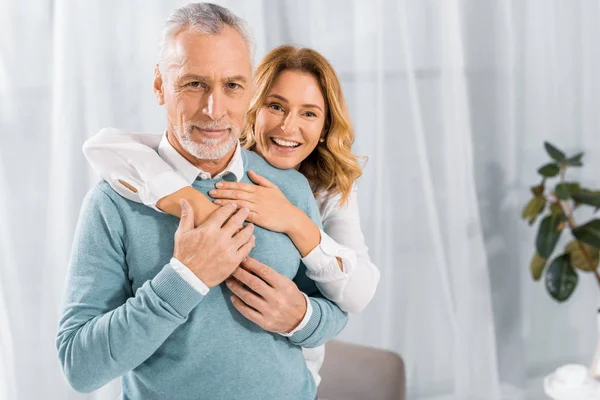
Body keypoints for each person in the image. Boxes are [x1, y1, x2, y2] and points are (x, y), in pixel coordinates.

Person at [56, 4, 348, 399]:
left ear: (250, 91)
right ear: (160, 85)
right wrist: (184, 278)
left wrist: (300, 317)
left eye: (232, 86)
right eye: (194, 84)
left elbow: (334, 310)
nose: (215, 110)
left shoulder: (288, 188)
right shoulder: (112, 204)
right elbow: (80, 366)